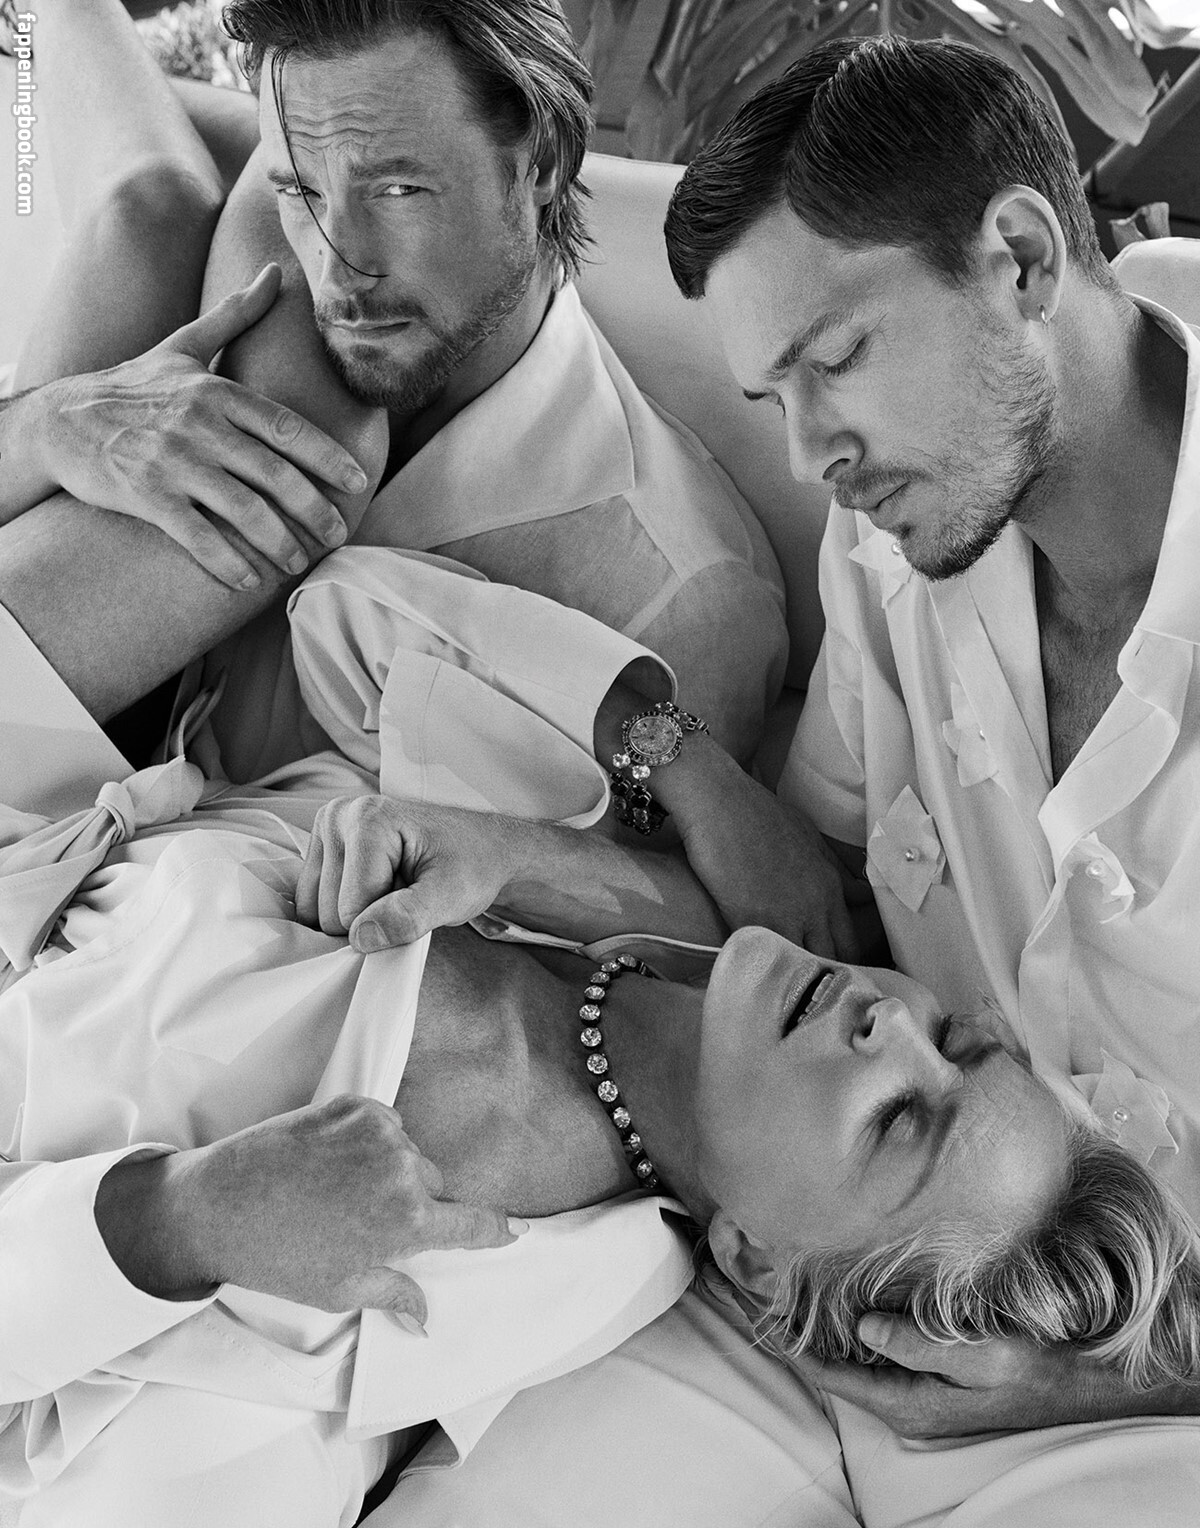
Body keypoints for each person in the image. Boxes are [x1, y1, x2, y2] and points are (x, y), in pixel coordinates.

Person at [4, 550, 1196, 1527]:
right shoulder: (655, 904)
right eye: (956, 1039)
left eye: (898, 1119)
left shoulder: (365, 1328)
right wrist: (687, 776)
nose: (895, 1022)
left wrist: (177, 1220)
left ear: (758, 1262)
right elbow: (344, 612)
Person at [0, 0, 787, 785]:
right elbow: (155, 192)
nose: (338, 267)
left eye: (399, 190)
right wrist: (40, 429)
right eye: (299, 192)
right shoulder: (305, 191)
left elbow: (654, 840)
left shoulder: (677, 608)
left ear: (542, 165)